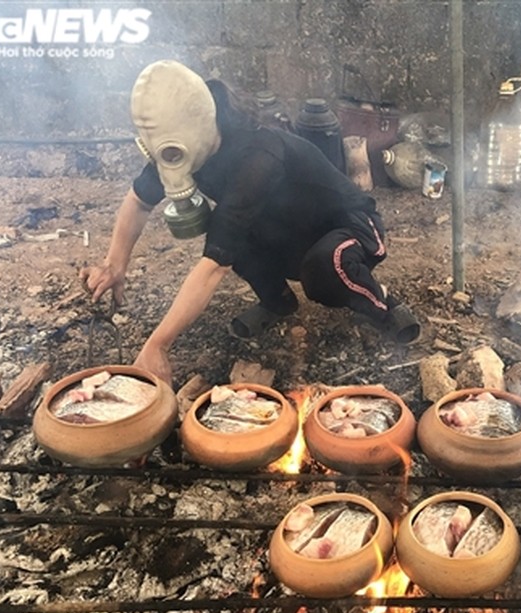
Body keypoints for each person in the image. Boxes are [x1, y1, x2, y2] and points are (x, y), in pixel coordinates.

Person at [81, 60, 419, 385]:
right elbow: (139, 200)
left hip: (350, 227)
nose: (169, 163)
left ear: (198, 127)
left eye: (172, 153)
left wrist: (158, 345)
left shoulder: (257, 156)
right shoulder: (179, 146)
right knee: (231, 239)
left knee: (323, 269)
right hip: (289, 232)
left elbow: (213, 267)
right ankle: (278, 303)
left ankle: (383, 304)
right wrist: (114, 263)